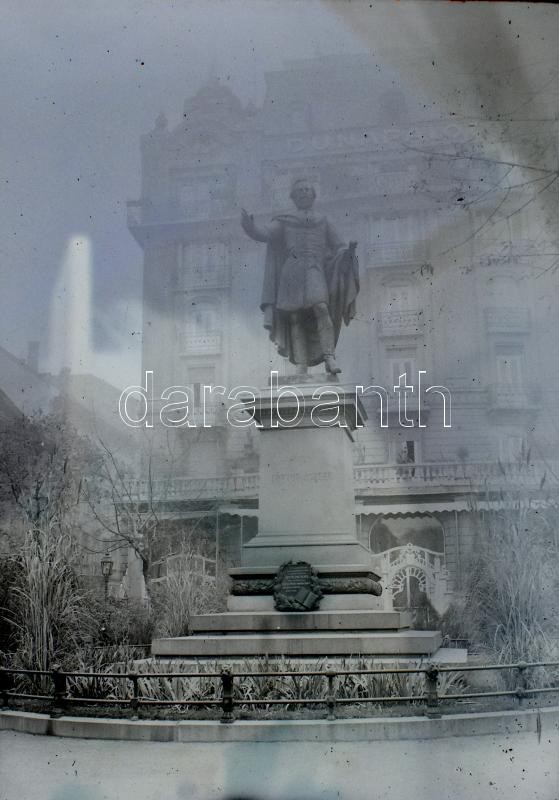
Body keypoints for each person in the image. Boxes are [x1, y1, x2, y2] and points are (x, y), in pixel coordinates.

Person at [241, 178, 359, 376]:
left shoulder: (324, 220)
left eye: (307, 189)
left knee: (321, 308)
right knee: (295, 317)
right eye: (300, 190)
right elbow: (265, 233)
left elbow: (339, 246)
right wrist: (249, 227)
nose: (304, 193)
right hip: (291, 272)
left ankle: (329, 356)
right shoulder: (284, 221)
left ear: (313, 194)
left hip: (314, 269)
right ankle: (301, 364)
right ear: (293, 197)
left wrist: (348, 253)